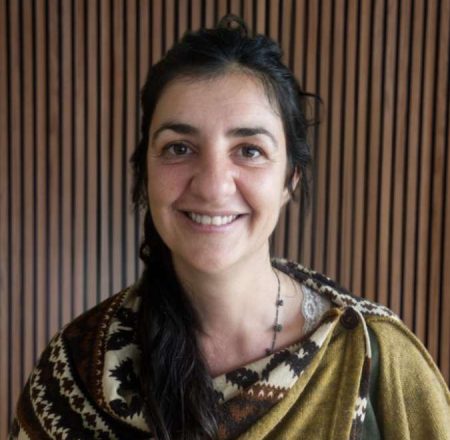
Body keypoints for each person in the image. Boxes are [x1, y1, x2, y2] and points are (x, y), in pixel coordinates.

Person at [10, 15, 449, 440]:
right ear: (145, 174)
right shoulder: (73, 373)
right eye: (179, 148)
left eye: (249, 150)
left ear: (290, 178)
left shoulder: (373, 358)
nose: (213, 186)